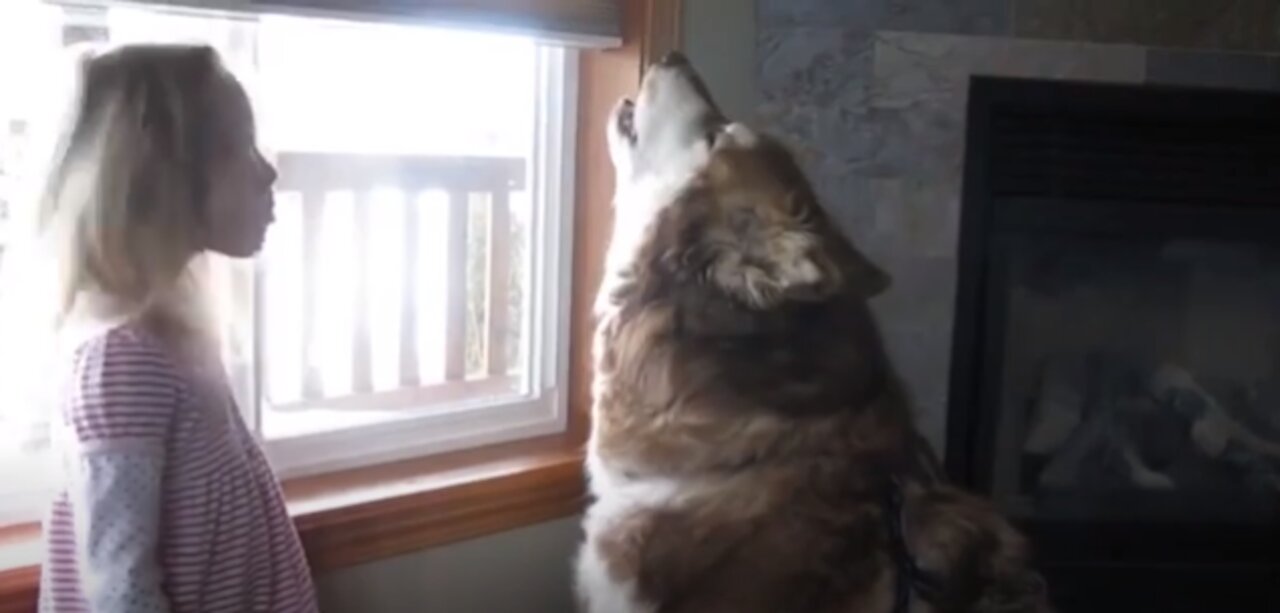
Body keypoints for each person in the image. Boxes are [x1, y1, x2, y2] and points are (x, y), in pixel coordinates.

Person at [23, 43, 318, 612]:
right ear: (163, 180)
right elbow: (122, 589)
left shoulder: (171, 338)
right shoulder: (121, 361)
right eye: (240, 149)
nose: (269, 170)